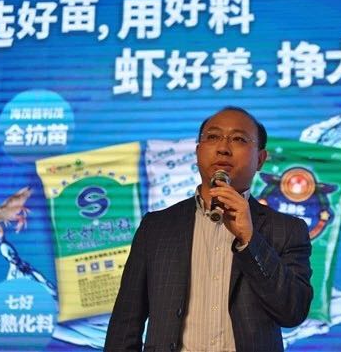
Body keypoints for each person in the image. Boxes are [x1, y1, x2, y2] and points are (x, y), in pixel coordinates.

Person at [104, 107, 313, 352]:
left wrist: (250, 239)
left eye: (239, 139)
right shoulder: (156, 227)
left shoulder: (287, 230)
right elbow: (125, 324)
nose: (223, 148)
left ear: (260, 159)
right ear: (197, 152)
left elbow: (293, 311)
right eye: (213, 137)